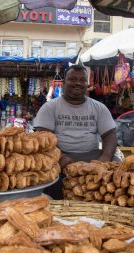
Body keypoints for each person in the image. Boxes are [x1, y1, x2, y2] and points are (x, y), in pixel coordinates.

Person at [34, 64, 117, 199]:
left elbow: (110, 135)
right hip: (58, 157)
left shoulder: (99, 108)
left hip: (92, 158)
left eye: (82, 80)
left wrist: (105, 158)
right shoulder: (50, 107)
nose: (77, 83)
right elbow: (43, 137)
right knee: (48, 178)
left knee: (116, 172)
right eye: (72, 79)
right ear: (64, 83)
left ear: (87, 83)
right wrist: (60, 157)